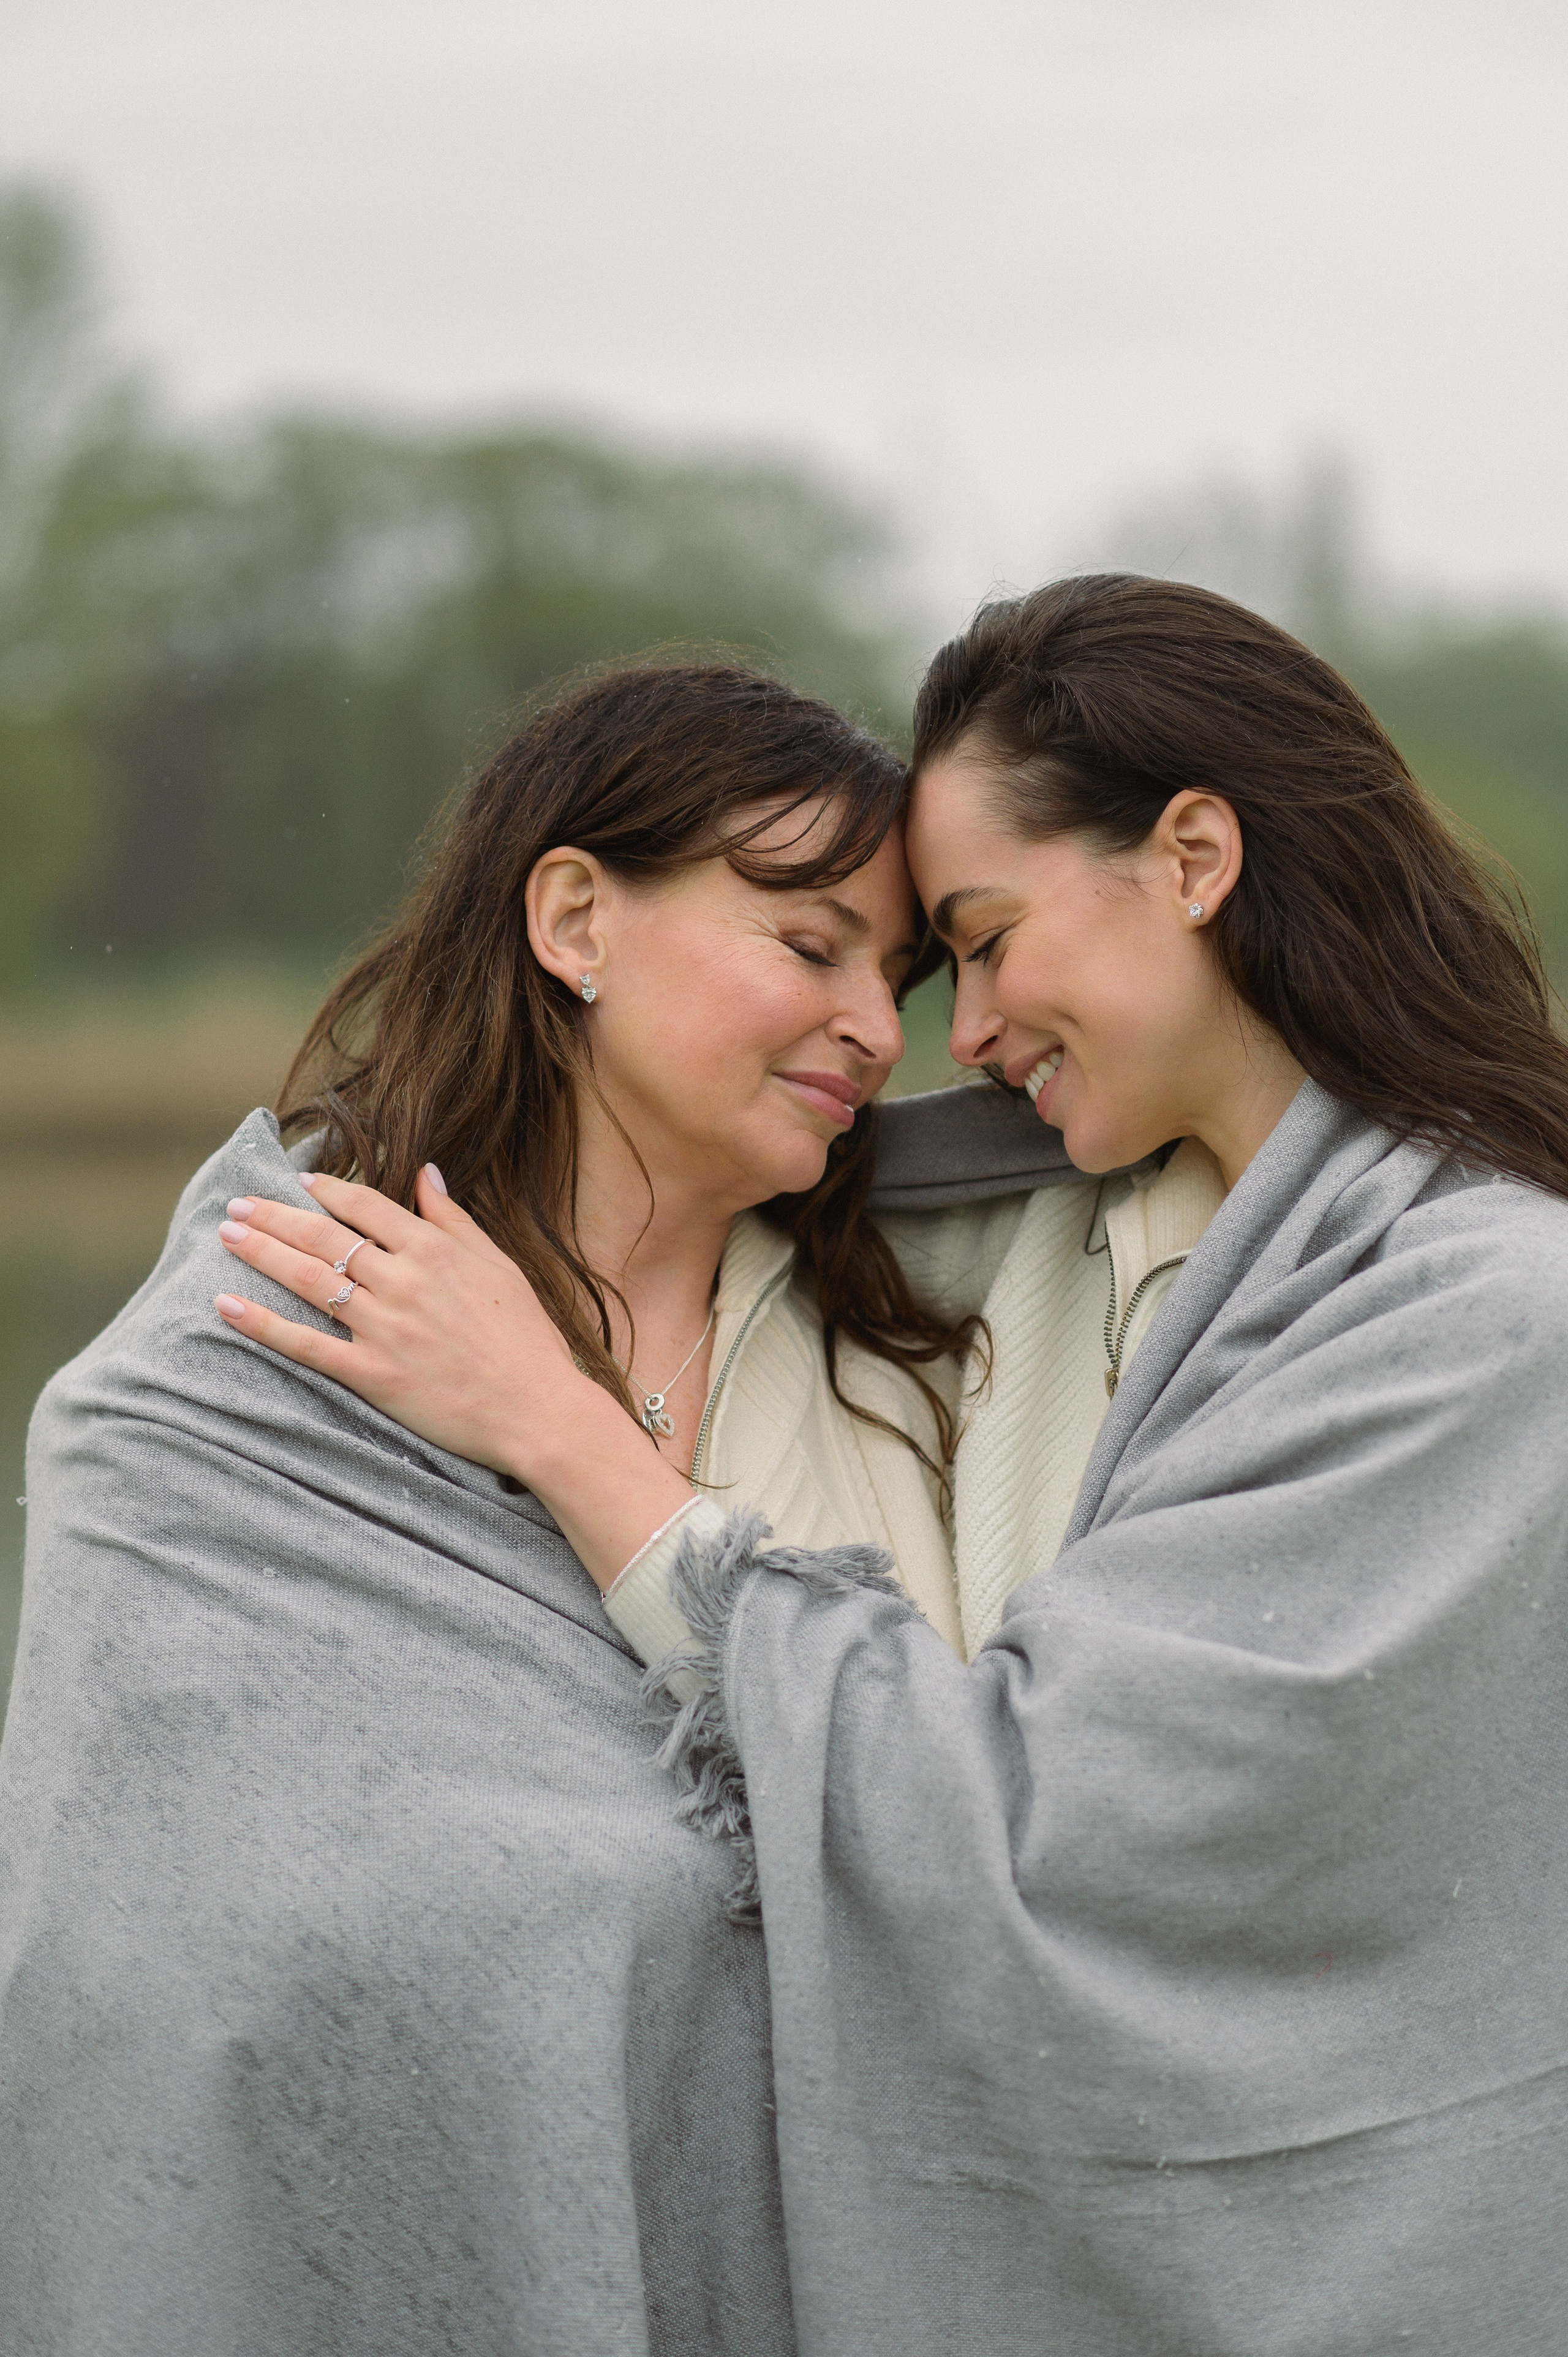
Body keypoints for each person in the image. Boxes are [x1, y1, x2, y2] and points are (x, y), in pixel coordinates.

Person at [218, 579, 1568, 2355]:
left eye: (980, 942)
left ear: (1192, 858)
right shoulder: (1154, 1254)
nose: (954, 1031)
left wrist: (550, 1424)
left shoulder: (1475, 1312)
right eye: (865, 959)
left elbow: (1019, 1833)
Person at [1, 658, 1068, 2357]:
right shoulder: (236, 1374)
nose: (879, 1025)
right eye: (809, 946)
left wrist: (555, 1428)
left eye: (901, 975)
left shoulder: (949, 1348)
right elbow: (154, 1981)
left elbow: (1004, 1844)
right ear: (574, 917)